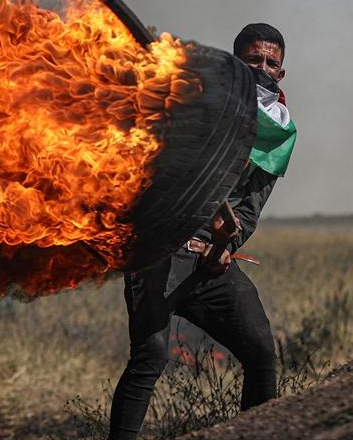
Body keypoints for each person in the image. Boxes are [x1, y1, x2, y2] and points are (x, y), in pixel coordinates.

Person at [107, 23, 298, 439]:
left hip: (208, 262)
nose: (263, 69)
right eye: (253, 61)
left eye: (272, 63)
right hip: (160, 250)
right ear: (235, 63)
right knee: (151, 355)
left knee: (262, 351)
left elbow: (249, 209)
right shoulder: (197, 99)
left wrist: (226, 245)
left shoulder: (279, 134)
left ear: (281, 73)